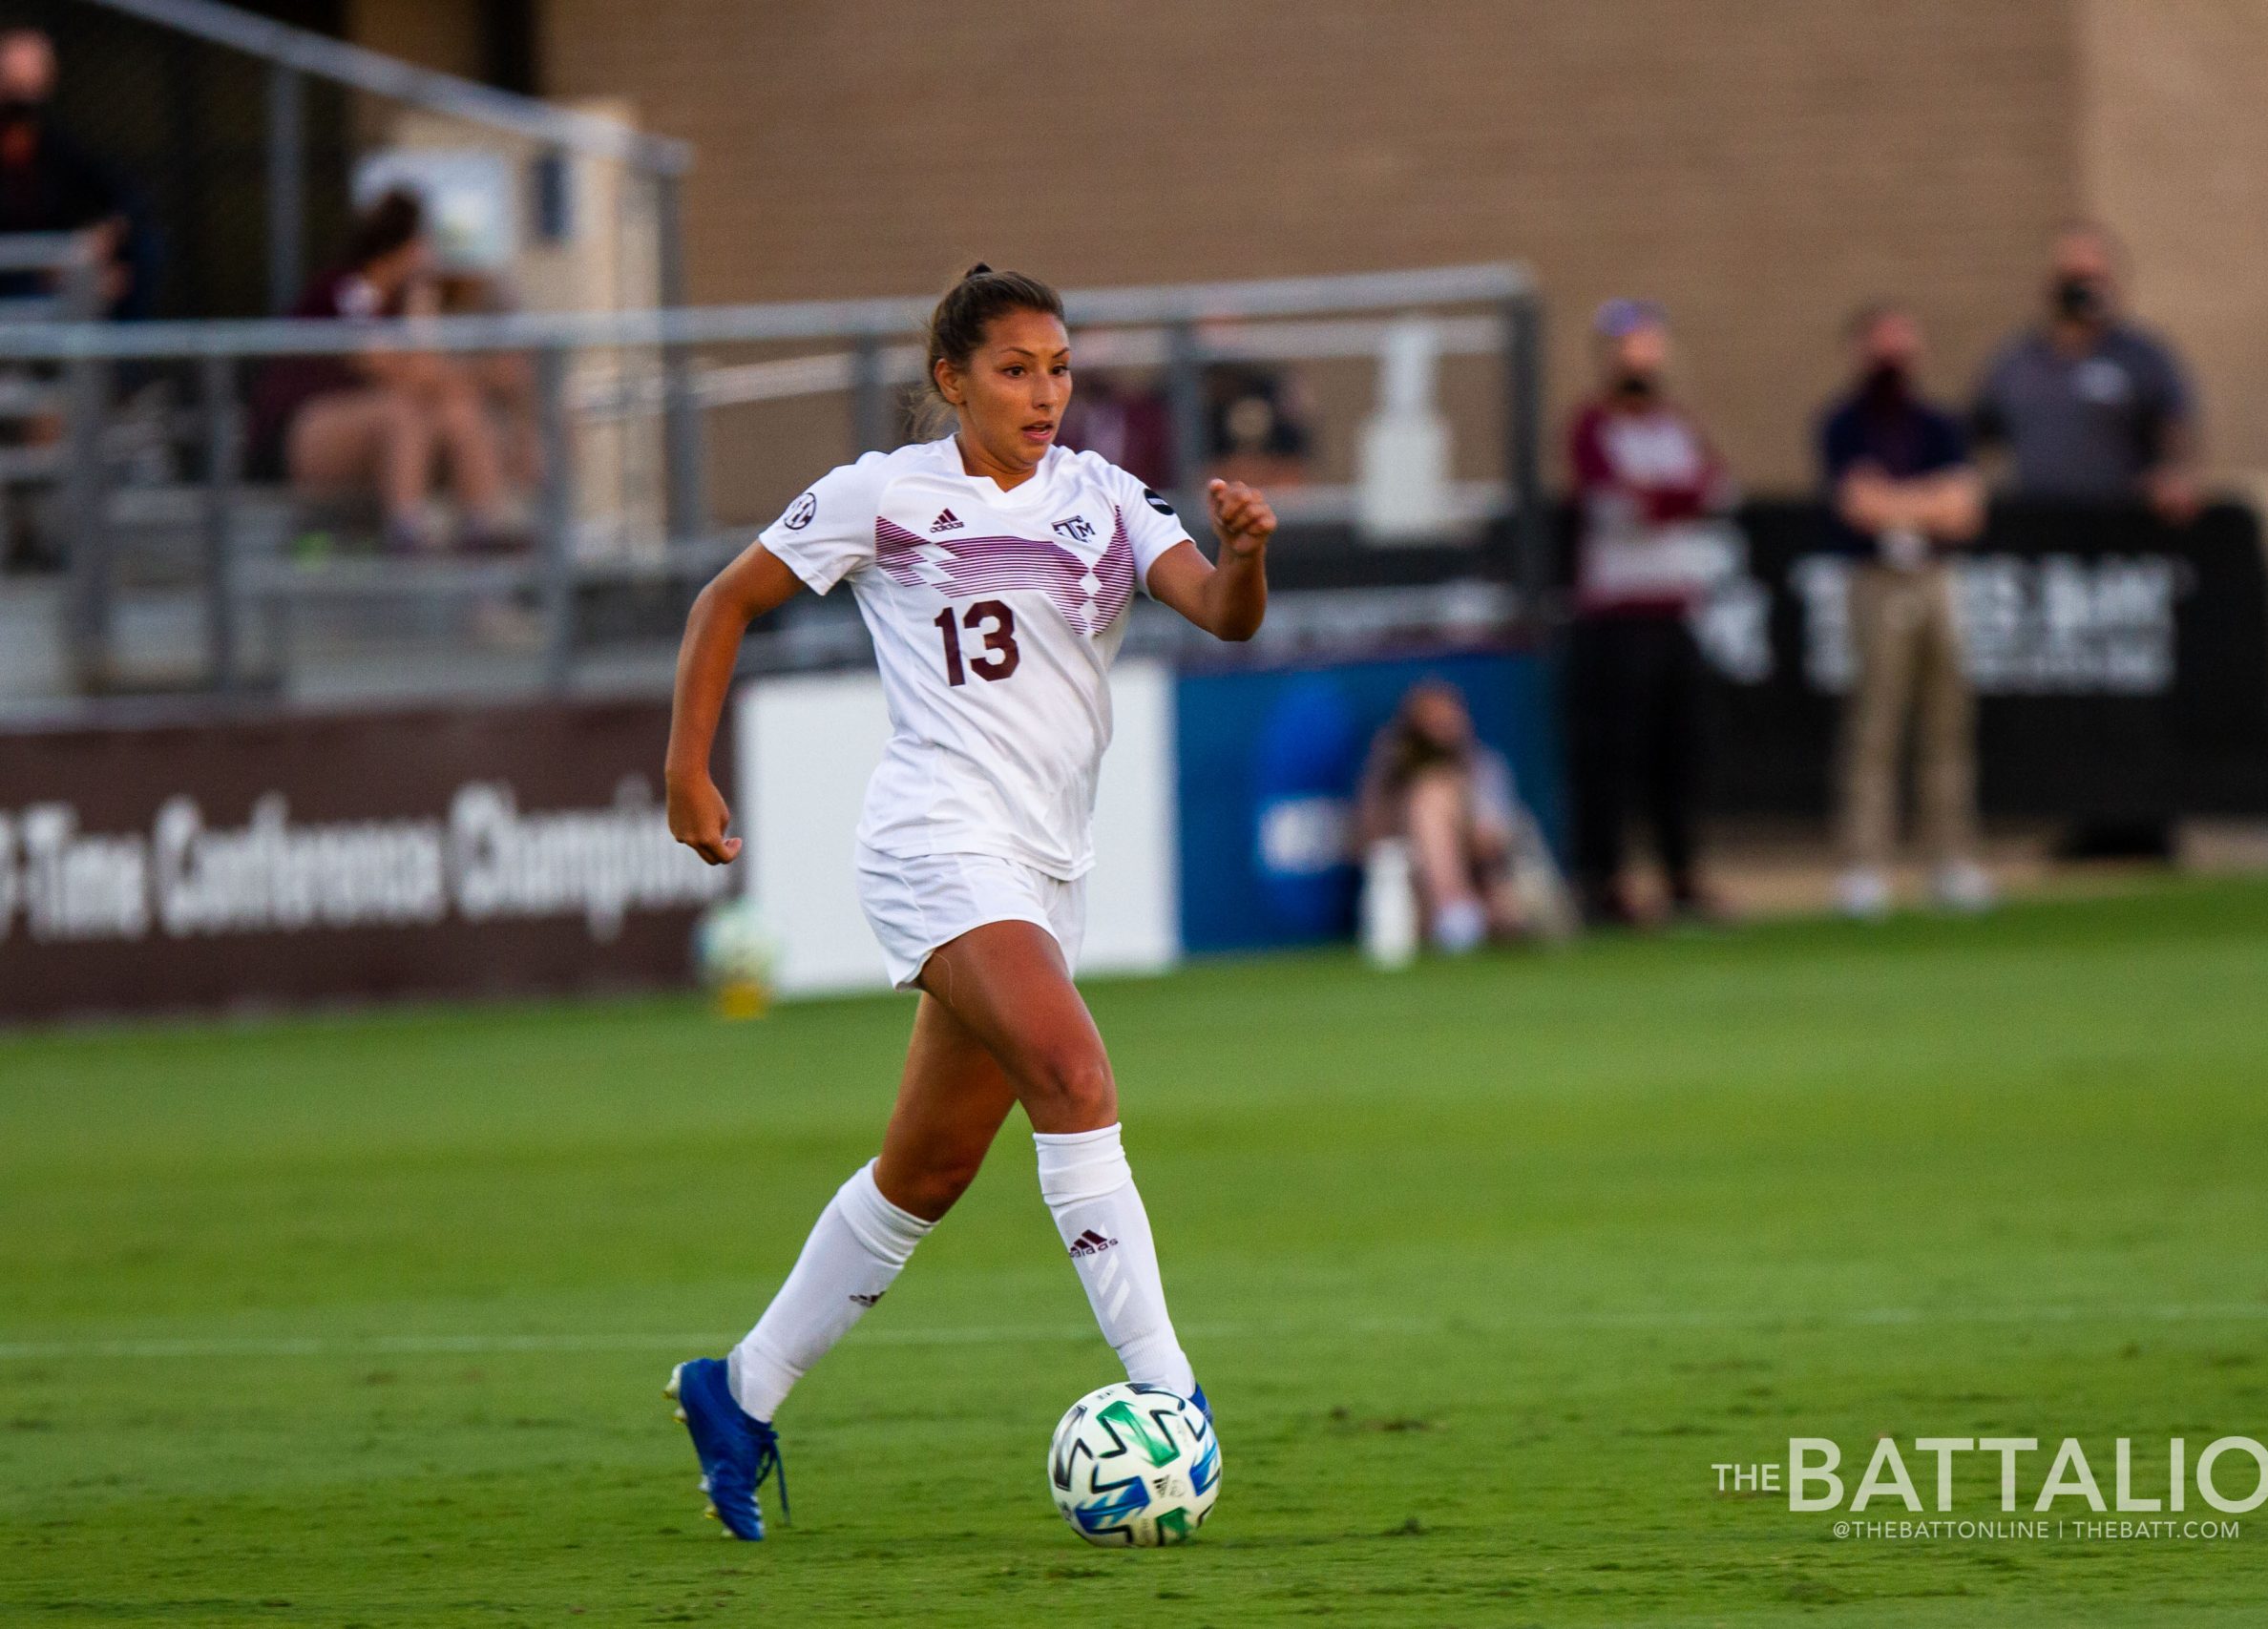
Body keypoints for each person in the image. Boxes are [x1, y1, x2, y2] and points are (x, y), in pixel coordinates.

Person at [660, 265, 1274, 1541]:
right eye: (1014, 367)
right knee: (1073, 1069)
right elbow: (729, 599)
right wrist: (684, 769)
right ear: (952, 378)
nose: (1045, 391)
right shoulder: (885, 492)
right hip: (936, 843)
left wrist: (1248, 555)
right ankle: (1173, 1393)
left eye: (1059, 367)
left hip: (1048, 868)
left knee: (930, 1167)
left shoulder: (1106, 500)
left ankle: (740, 1386)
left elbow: (1218, 612)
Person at [1818, 304, 1991, 919]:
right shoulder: (1844, 423)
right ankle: (1865, 866)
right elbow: (1857, 504)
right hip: (1876, 580)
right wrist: (1926, 501)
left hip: (1937, 575)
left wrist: (1899, 503)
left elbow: (1967, 509)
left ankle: (1951, 859)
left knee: (1948, 722)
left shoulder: (1940, 424)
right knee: (1875, 723)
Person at [1564, 300, 1733, 925]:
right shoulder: (1592, 425)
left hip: (1674, 608)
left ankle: (1682, 876)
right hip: (1617, 616)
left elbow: (1716, 487)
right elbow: (1617, 507)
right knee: (1613, 757)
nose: (1643, 358)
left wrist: (1666, 499)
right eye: (1630, 346)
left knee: (1681, 752)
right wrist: (1673, 499)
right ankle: (1603, 884)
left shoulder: (1674, 424)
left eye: (1650, 345)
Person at [245, 189, 522, 554]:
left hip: (355, 430)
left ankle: (482, 524)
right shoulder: (347, 289)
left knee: (458, 408)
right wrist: (482, 374)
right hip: (297, 434)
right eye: (425, 245)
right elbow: (399, 372)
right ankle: (406, 531)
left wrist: (422, 308)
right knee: (403, 414)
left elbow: (429, 374)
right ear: (409, 246)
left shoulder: (395, 302)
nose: (433, 257)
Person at [1970, 222, 2200, 522]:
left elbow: (2175, 426)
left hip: (2121, 527)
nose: (2085, 291)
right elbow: (1975, 430)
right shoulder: (2017, 362)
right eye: (2074, 278)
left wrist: (2173, 476)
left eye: (2095, 278)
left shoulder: (2141, 357)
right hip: (2038, 529)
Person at [1355, 679, 1527, 953]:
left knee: (1437, 793)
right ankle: (1455, 913)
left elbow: (1494, 840)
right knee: (1430, 794)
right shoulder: (1394, 774)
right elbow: (1368, 842)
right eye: (1432, 720)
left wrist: (1459, 813)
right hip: (1414, 888)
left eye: (1448, 717)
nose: (1443, 726)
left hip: (1483, 878)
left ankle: (1460, 914)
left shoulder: (1484, 766)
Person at [0, 27, 148, 318]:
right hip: (15, 274)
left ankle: (125, 358)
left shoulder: (55, 147)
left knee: (142, 250)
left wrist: (99, 239)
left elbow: (130, 199)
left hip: (55, 271)